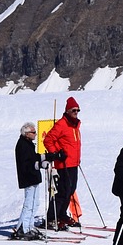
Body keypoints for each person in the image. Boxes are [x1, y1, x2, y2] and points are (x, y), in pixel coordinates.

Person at [43, 96, 83, 230]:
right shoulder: (62, 124)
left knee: (70, 190)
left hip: (73, 163)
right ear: (67, 111)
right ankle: (51, 217)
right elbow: (48, 140)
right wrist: (57, 153)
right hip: (64, 163)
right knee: (63, 191)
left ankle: (61, 214)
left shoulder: (74, 125)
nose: (76, 112)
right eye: (73, 110)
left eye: (77, 110)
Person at [11, 123, 47, 240]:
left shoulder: (28, 144)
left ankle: (28, 226)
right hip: (28, 178)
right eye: (33, 132)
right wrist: (39, 165)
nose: (35, 134)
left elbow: (32, 158)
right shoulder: (22, 145)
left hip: (33, 177)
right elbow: (26, 163)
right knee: (29, 203)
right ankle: (23, 228)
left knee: (35, 203)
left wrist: (44, 157)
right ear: (26, 134)